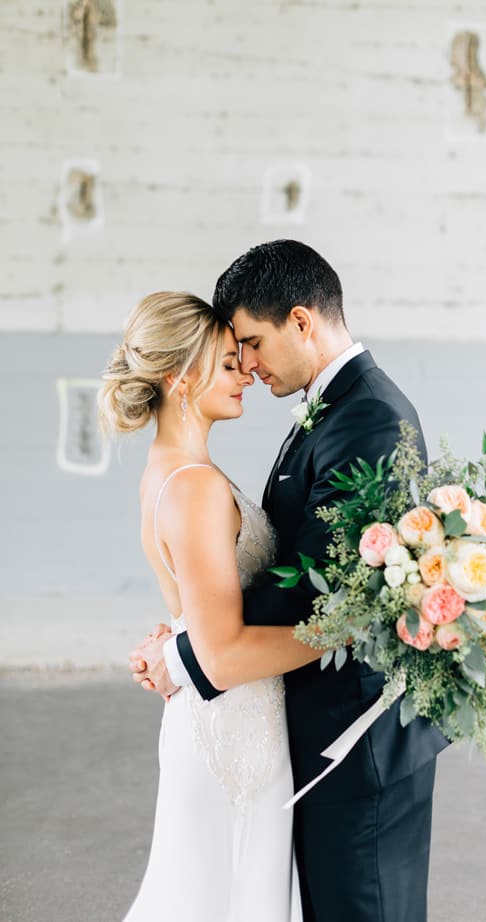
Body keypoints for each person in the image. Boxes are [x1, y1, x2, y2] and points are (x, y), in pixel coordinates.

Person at [131, 241, 449, 922]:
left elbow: (326, 593)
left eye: (250, 343)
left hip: (358, 737)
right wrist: (192, 633)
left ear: (300, 321)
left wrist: (186, 652)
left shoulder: (365, 416)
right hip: (294, 724)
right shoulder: (330, 410)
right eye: (232, 356)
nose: (247, 365)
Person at [99, 291, 318, 921]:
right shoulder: (193, 485)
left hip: (231, 719)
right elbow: (221, 656)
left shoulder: (174, 469)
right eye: (227, 363)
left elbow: (200, 617)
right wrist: (347, 630)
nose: (246, 371)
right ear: (180, 377)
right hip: (232, 732)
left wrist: (173, 644)